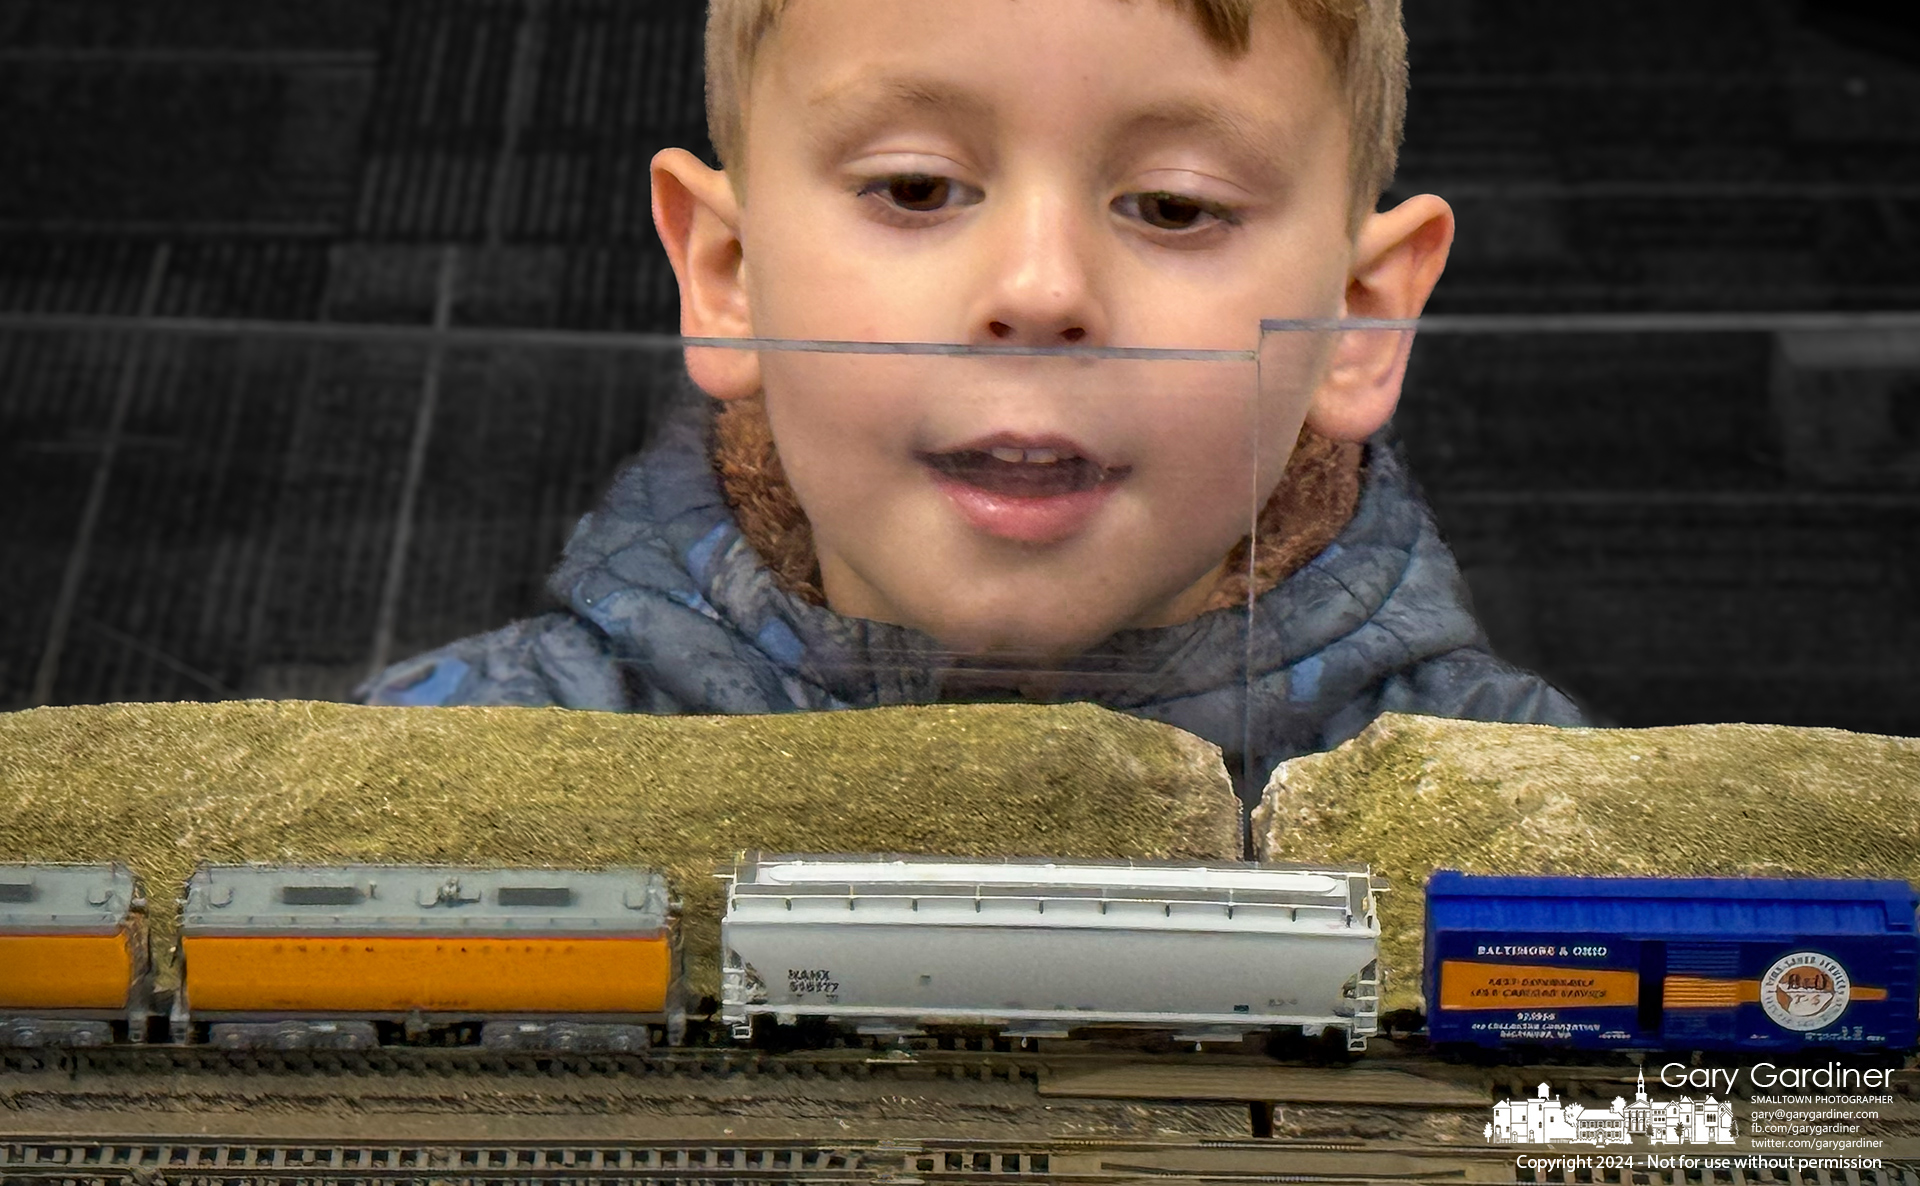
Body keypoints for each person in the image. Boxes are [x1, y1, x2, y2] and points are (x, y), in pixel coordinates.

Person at [359, 0, 1586, 810]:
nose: (1041, 291)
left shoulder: (1540, 811)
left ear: (1361, 321)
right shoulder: (429, 774)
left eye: (1173, 205)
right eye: (915, 186)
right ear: (726, 274)